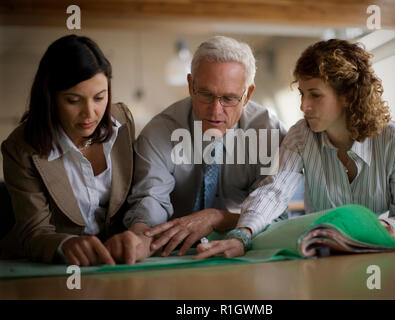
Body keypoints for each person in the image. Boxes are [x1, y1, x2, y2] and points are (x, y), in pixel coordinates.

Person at [195, 38, 395, 259]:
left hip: (381, 257)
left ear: (348, 95)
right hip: (323, 258)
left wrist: (377, 228)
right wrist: (242, 235)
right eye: (302, 94)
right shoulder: (301, 135)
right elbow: (275, 190)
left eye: (315, 94)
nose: (304, 106)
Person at [108, 36, 286, 262]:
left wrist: (217, 218)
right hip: (174, 254)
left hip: (244, 251)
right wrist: (139, 237)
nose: (215, 111)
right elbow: (149, 199)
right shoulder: (159, 131)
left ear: (248, 94)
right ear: (191, 85)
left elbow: (277, 214)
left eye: (229, 98)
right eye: (206, 94)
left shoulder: (270, 132)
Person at [0, 35, 145, 266]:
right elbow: (33, 232)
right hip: (48, 269)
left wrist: (137, 235)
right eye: (73, 100)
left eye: (99, 97)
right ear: (50, 97)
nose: (89, 114)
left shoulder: (123, 121)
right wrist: (64, 244)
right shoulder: (20, 148)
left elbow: (137, 197)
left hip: (116, 264)